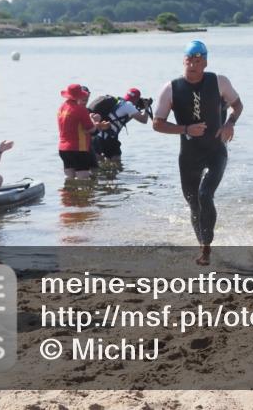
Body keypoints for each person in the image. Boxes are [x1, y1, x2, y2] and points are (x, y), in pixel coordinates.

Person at [153, 40, 243, 266]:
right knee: (194, 203)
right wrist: (184, 129)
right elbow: (157, 123)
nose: (192, 65)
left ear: (205, 62)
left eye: (197, 60)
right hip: (190, 154)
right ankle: (202, 243)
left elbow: (238, 105)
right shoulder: (171, 88)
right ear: (183, 60)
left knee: (205, 194)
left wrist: (230, 123)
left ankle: (206, 249)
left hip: (216, 149)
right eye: (189, 60)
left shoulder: (219, 82)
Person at [57, 84, 107, 181]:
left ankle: (69, 195)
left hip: (63, 149)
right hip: (78, 149)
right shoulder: (80, 109)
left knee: (70, 179)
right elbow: (91, 130)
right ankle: (82, 196)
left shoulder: (62, 107)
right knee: (83, 181)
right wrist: (98, 124)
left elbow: (74, 126)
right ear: (79, 96)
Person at [91, 87, 151, 164]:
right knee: (116, 163)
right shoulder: (129, 106)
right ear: (137, 99)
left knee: (98, 164)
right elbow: (144, 120)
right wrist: (147, 107)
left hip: (98, 136)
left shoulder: (118, 102)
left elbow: (121, 121)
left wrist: (135, 111)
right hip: (109, 139)